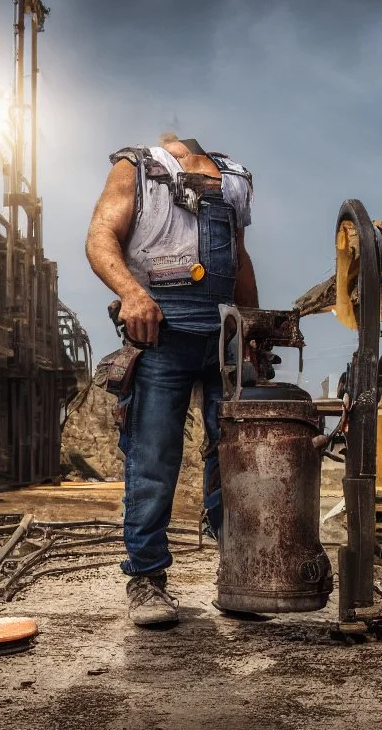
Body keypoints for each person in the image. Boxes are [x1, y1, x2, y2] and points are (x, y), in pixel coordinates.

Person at [86, 133, 258, 625]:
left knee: (235, 460)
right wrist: (132, 294)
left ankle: (241, 578)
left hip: (223, 331)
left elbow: (239, 257)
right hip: (161, 326)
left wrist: (250, 325)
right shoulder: (135, 167)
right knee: (154, 458)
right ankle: (147, 579)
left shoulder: (235, 177)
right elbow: (100, 237)